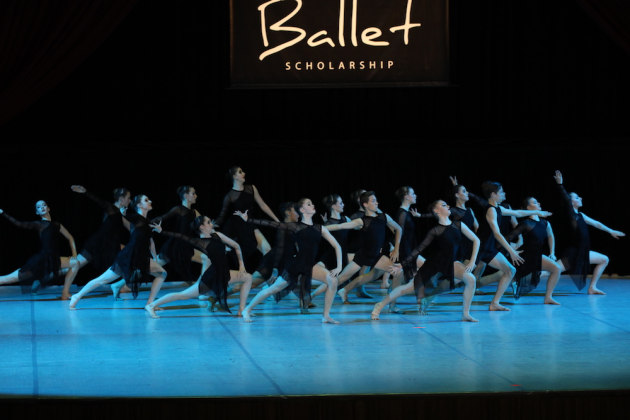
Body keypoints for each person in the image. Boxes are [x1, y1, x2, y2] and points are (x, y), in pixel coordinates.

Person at [235, 198, 343, 324]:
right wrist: (248, 219)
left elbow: (337, 246)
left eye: (312, 203)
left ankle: (326, 316)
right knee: (273, 289)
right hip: (296, 266)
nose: (313, 205)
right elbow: (270, 224)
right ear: (302, 210)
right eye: (309, 204)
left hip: (310, 266)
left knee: (333, 280)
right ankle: (247, 309)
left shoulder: (320, 228)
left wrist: (339, 266)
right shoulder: (295, 227)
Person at [371, 200, 480, 322]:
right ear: (437, 211)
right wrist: (402, 265)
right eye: (444, 205)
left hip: (451, 262)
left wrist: (472, 261)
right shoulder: (435, 231)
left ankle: (465, 314)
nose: (448, 206)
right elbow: (418, 249)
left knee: (471, 279)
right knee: (408, 288)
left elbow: (476, 240)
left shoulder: (458, 225)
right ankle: (380, 305)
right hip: (433, 264)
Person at [69, 194, 167, 310]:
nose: (150, 201)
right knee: (103, 279)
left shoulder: (147, 222)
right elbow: (123, 217)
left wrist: (155, 257)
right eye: (146, 200)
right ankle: (77, 296)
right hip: (128, 257)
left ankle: (150, 304)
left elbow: (151, 243)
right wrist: (121, 213)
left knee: (162, 273)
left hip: (141, 257)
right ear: (140, 205)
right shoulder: (135, 218)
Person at [144, 215, 252, 318]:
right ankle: (151, 305)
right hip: (212, 276)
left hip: (224, 273)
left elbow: (236, 246)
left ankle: (241, 310)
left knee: (248, 277)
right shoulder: (200, 242)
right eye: (208, 222)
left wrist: (242, 266)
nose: (211, 224)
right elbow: (180, 236)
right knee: (183, 295)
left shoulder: (217, 235)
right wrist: (162, 231)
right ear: (202, 227)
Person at [474, 181, 552, 311]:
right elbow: (497, 234)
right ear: (493, 194)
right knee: (460, 278)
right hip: (481, 249)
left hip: (488, 248)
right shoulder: (491, 210)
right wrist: (511, 251)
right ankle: (430, 289)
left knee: (510, 270)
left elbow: (517, 213)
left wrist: (539, 213)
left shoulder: (499, 208)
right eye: (501, 192)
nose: (504, 194)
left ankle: (494, 303)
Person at [326, 191, 404, 309]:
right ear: (365, 204)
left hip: (377, 256)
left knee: (398, 271)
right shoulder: (362, 221)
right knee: (340, 278)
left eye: (376, 200)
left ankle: (392, 303)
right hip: (363, 255)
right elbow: (339, 226)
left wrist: (397, 249)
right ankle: (316, 294)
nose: (377, 202)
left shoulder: (384, 217)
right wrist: (319, 228)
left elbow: (398, 229)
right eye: (373, 201)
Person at [553, 170, 625, 294]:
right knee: (552, 270)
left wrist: (611, 231)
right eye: (576, 197)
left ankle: (592, 288)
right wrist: (560, 185)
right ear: (571, 202)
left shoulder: (580, 215)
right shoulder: (571, 214)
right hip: (573, 254)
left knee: (604, 259)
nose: (580, 198)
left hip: (583, 252)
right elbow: (565, 198)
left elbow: (596, 223)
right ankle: (519, 280)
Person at [62, 185, 130, 300]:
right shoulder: (111, 208)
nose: (130, 200)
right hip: (97, 244)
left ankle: (123, 286)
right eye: (128, 198)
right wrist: (85, 192)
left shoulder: (117, 212)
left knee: (127, 254)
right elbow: (100, 202)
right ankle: (63, 290)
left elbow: (128, 226)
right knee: (76, 264)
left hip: (109, 246)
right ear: (121, 199)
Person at [0, 201, 78, 296]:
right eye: (39, 207)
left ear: (48, 208)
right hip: (41, 260)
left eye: (44, 205)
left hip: (53, 259)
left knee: (75, 263)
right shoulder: (40, 224)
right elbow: (19, 223)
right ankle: (38, 279)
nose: (42, 207)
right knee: (8, 279)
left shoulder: (57, 225)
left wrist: (74, 254)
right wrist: (3, 213)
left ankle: (65, 292)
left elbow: (70, 237)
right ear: (37, 212)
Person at [214, 166, 279, 273]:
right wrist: (213, 225)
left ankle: (266, 278)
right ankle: (258, 279)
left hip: (250, 224)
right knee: (243, 257)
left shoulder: (251, 188)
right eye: (240, 172)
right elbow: (222, 215)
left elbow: (263, 205)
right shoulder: (229, 196)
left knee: (267, 249)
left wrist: (276, 220)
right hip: (237, 229)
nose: (243, 173)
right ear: (234, 176)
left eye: (242, 171)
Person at [505, 197, 561, 304]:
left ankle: (548, 297)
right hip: (525, 257)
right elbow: (508, 238)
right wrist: (512, 251)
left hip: (537, 256)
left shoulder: (545, 223)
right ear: (528, 207)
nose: (539, 203)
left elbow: (550, 236)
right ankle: (474, 284)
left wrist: (552, 252)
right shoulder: (526, 223)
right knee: (498, 276)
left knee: (556, 269)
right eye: (535, 202)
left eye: (538, 201)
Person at [152, 186, 202, 285]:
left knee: (207, 259)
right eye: (193, 193)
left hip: (186, 246)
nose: (196, 196)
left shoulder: (194, 212)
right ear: (186, 196)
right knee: (150, 266)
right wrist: (144, 224)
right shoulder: (178, 209)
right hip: (175, 246)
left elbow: (205, 223)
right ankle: (119, 284)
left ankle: (201, 287)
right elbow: (161, 218)